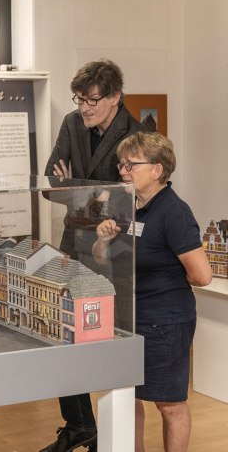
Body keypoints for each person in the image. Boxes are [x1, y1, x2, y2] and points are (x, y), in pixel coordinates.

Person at [41, 59, 148, 452]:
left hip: (117, 251)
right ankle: (80, 425)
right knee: (63, 332)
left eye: (92, 100)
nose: (84, 107)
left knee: (110, 341)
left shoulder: (136, 135)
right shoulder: (71, 123)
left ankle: (114, 434)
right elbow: (50, 188)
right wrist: (93, 193)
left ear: (115, 97)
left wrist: (76, 189)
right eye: (80, 99)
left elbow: (130, 202)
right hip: (74, 244)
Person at [92, 132, 211, 452]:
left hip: (165, 323)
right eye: (122, 164)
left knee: (168, 403)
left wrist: (163, 278)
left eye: (132, 164)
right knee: (127, 394)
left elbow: (202, 275)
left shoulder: (174, 213)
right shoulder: (123, 204)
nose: (123, 170)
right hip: (128, 317)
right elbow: (102, 259)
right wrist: (102, 241)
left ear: (158, 170)